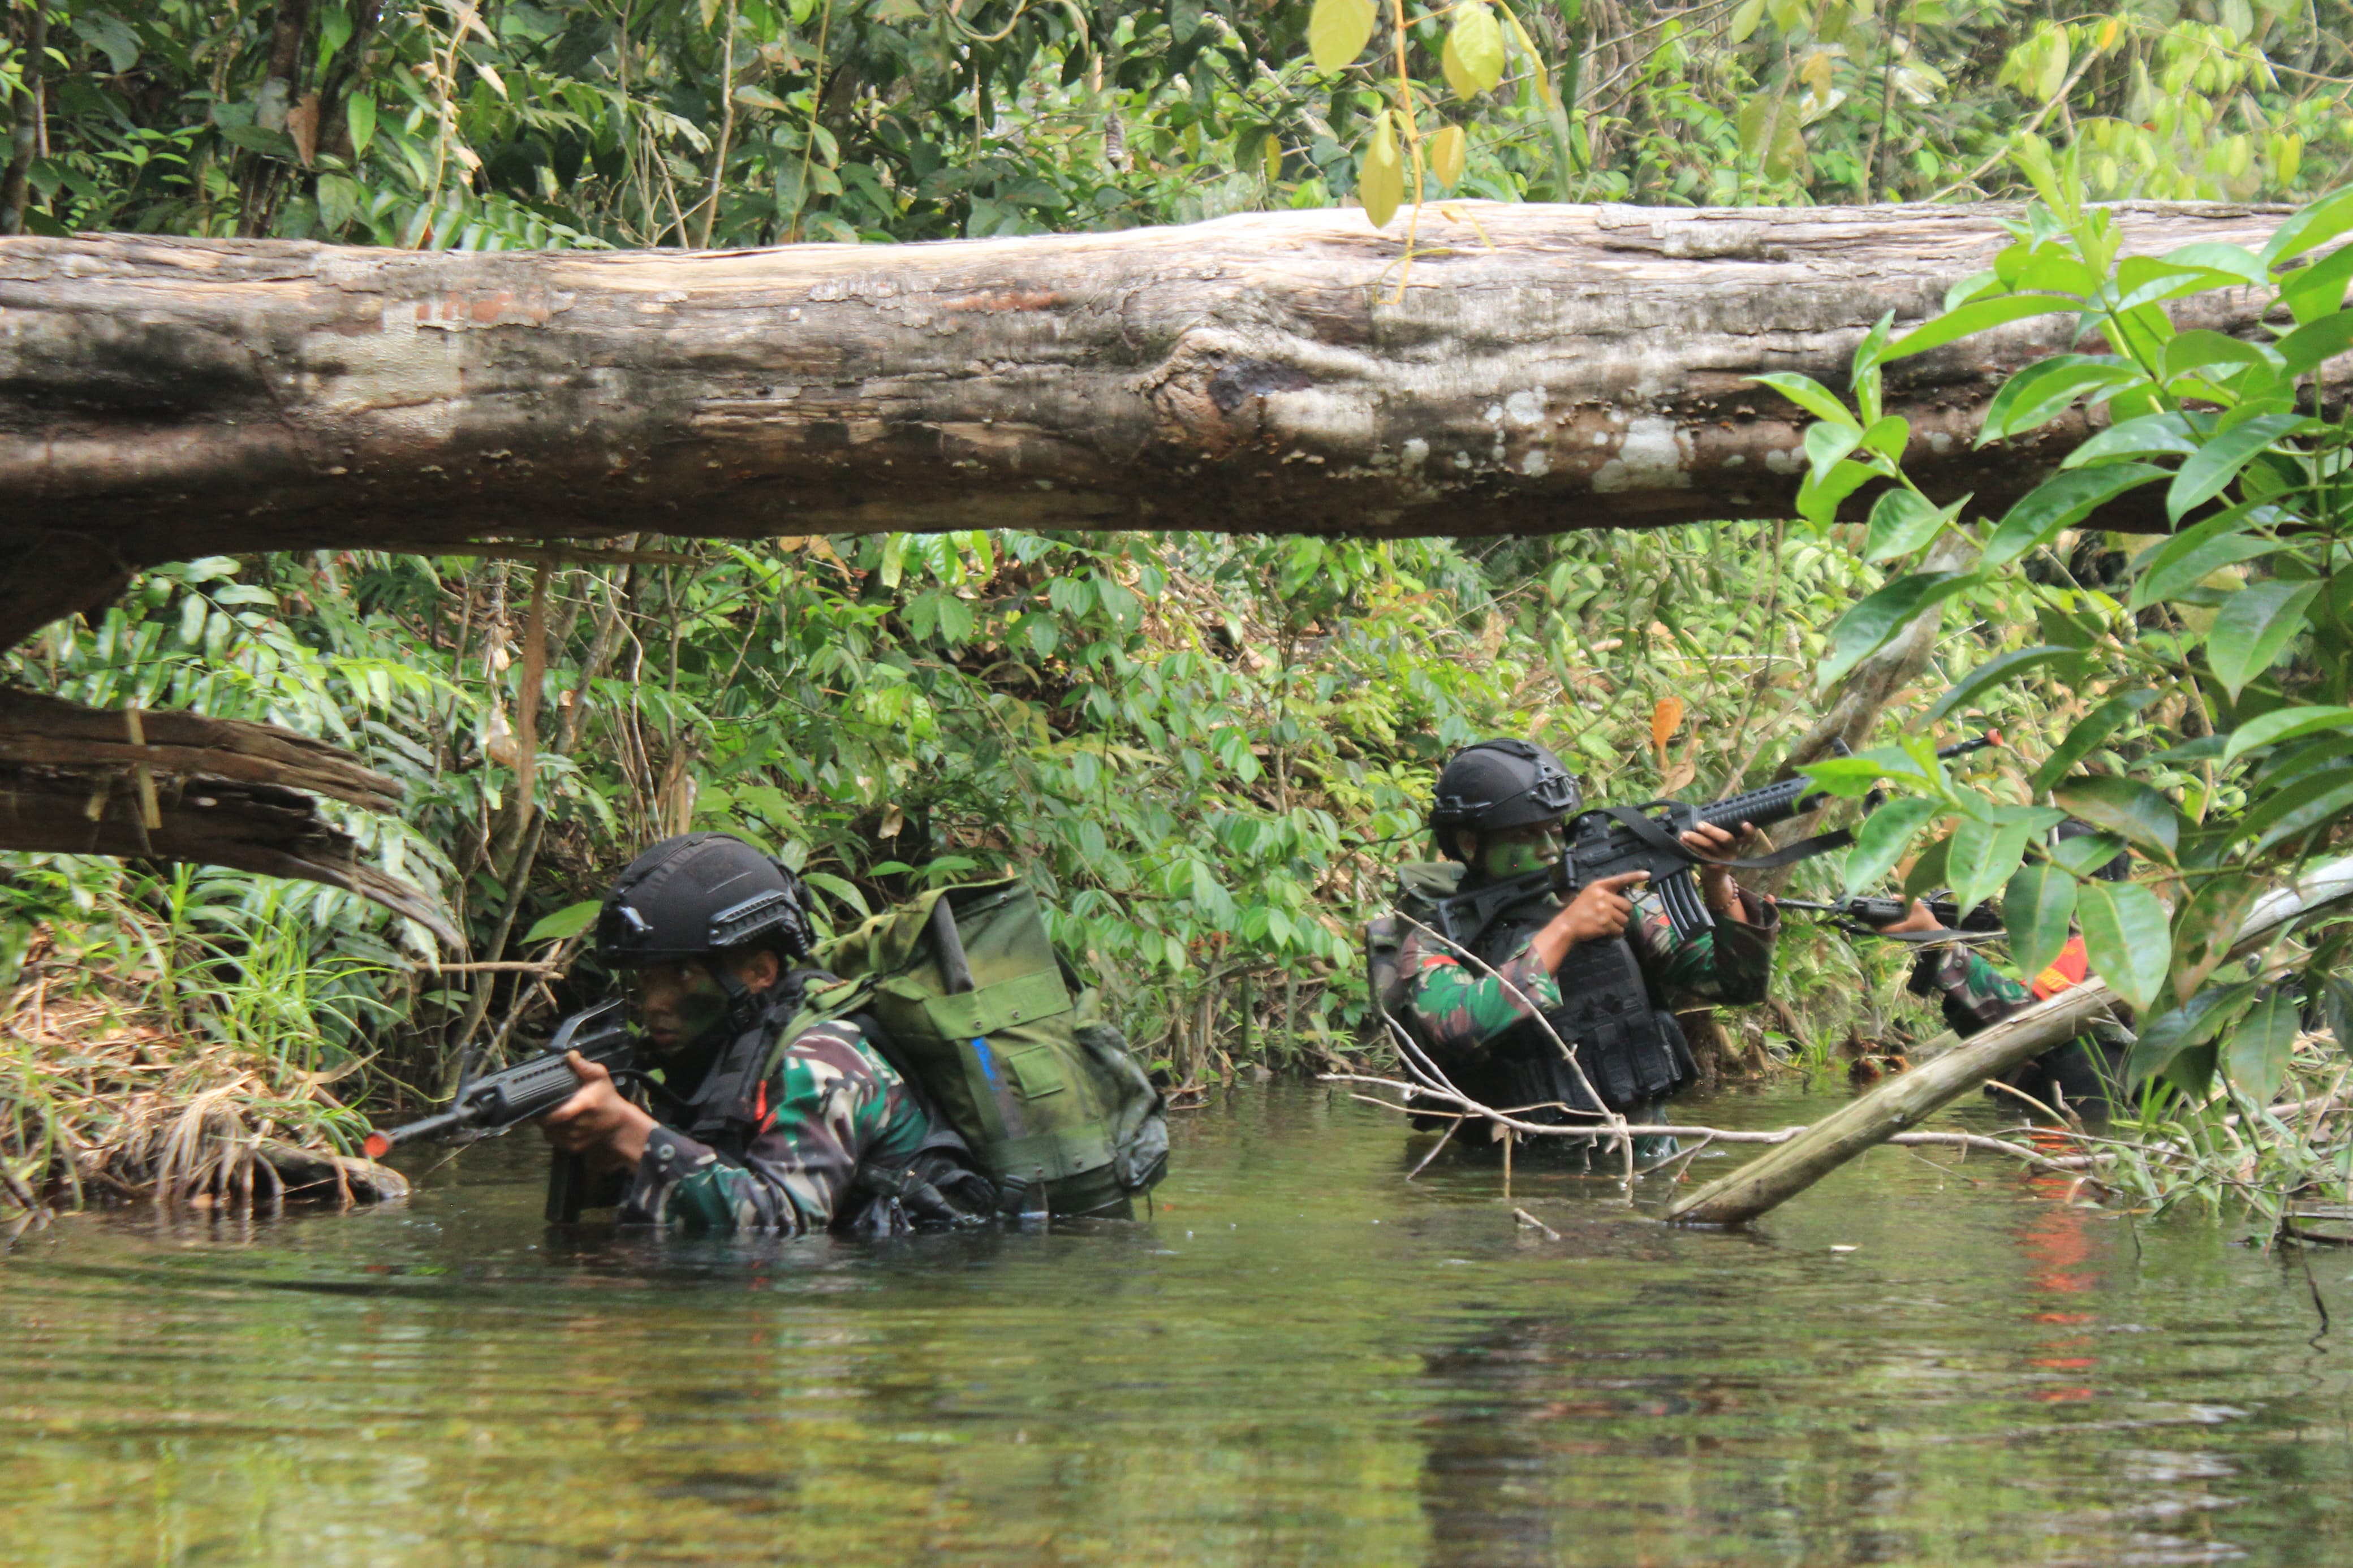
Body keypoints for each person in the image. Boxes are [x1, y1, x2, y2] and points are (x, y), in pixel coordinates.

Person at [536, 832, 995, 1234]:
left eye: (681, 975)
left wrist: (628, 1129)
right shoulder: (713, 1056)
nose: (653, 1003)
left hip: (929, 1274)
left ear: (761, 972)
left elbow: (784, 1221)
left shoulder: (824, 1059)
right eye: (646, 979)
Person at [1365, 737, 1781, 1160]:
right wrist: (1565, 929)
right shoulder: (1436, 936)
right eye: (1526, 834)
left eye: (1554, 829)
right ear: (1472, 843)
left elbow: (1736, 985)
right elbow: (1456, 1026)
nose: (1549, 848)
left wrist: (1718, 884)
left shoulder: (1616, 903)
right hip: (1510, 1171)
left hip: (1644, 1158)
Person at [1868, 820, 2132, 1113]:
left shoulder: (2100, 945)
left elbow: (2028, 1018)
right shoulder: (2108, 940)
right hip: (2064, 1123)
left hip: (2080, 1131)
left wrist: (1942, 945)